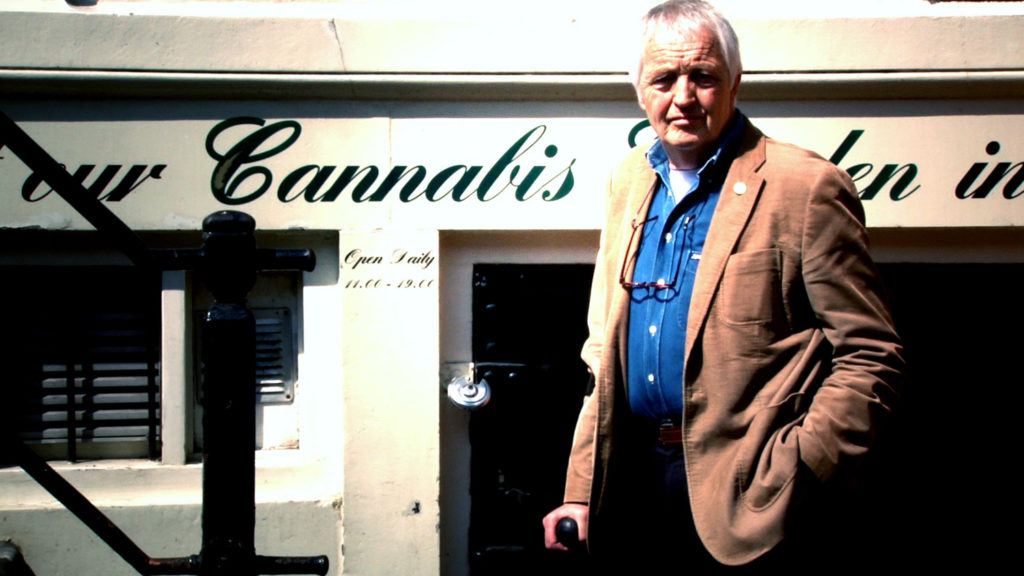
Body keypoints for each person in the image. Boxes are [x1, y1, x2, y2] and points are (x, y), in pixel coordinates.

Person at [542, 0, 904, 571]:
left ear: (734, 84)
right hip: (632, 480)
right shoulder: (628, 178)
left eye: (702, 77)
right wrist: (582, 490)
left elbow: (870, 354)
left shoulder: (805, 187)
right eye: (663, 79)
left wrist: (803, 468)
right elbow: (601, 353)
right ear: (640, 90)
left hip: (751, 492)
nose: (682, 97)